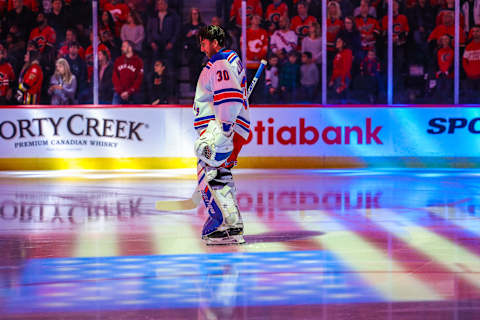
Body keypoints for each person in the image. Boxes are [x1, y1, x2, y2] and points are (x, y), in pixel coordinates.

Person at [193, 25, 250, 245]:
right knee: (220, 175)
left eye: (204, 42)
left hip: (221, 129)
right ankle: (233, 225)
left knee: (206, 171)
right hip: (229, 128)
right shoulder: (230, 60)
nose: (201, 47)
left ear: (215, 42)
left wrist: (225, 129)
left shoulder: (220, 62)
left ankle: (219, 224)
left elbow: (228, 95)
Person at [112, 40, 144, 104]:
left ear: (130, 48)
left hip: (133, 93)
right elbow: (115, 77)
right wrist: (121, 92)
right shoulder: (118, 60)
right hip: (119, 93)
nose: (121, 48)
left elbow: (139, 79)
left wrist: (129, 92)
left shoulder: (138, 61)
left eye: (124, 46)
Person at [462, 25, 480, 103]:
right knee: (470, 99)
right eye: (473, 31)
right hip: (470, 76)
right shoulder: (468, 46)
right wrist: (469, 72)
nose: (475, 33)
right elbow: (464, 61)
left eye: (477, 31)